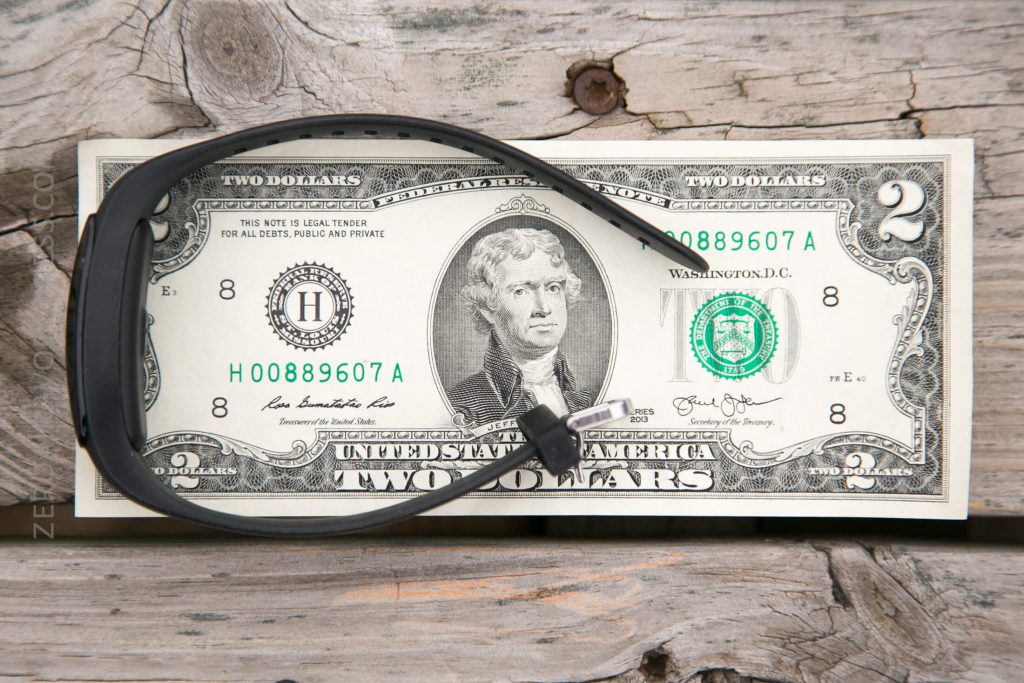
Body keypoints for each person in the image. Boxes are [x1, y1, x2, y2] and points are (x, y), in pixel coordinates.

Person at [446, 227, 593, 425]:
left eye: (553, 288)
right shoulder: (462, 406)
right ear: (488, 308)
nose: (544, 308)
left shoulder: (586, 399)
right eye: (521, 291)